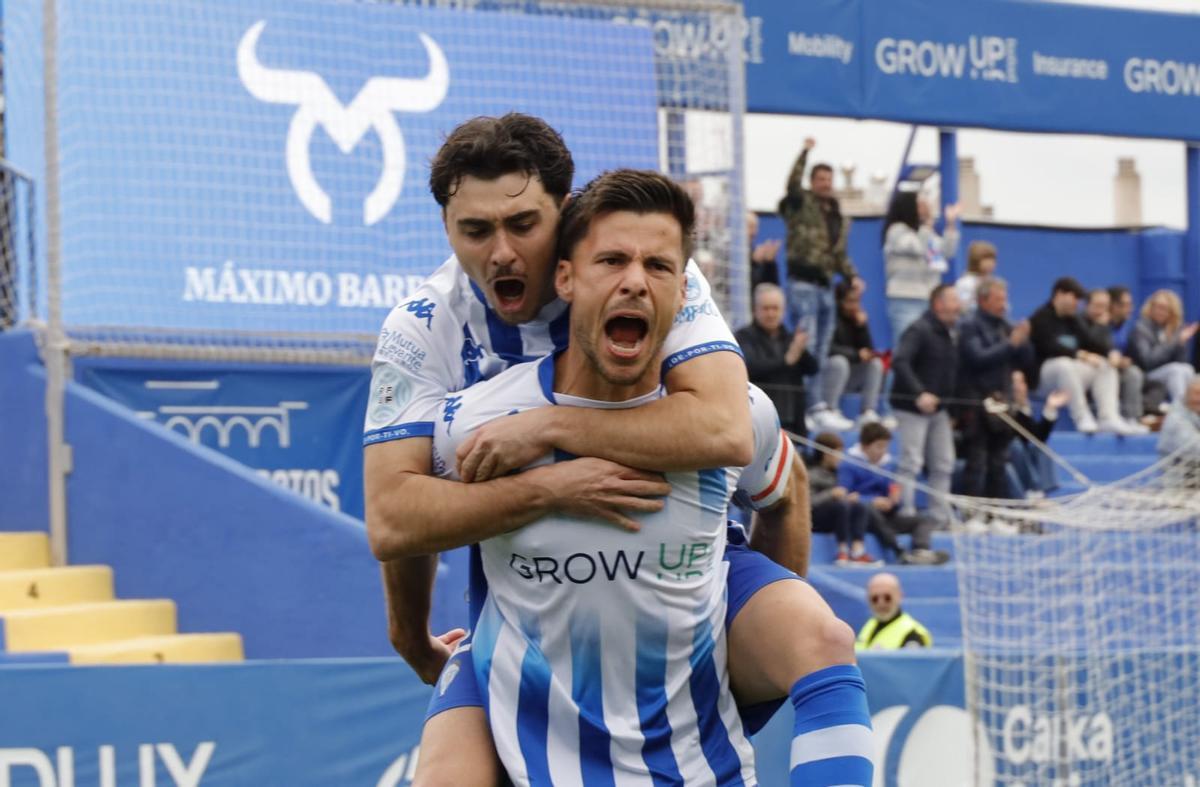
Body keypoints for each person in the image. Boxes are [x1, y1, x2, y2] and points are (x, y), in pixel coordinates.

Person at [360, 123, 866, 785]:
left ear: (564, 212)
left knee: (824, 638)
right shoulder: (424, 329)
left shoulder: (654, 283)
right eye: (475, 231)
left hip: (682, 572)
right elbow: (395, 517)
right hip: (526, 586)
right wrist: (546, 491)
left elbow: (729, 433)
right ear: (448, 227)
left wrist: (546, 427)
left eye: (523, 223)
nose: (501, 252)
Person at [777, 136, 864, 420]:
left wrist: (852, 277)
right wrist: (804, 152)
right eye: (821, 178)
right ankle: (809, 406)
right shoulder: (801, 204)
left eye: (829, 178)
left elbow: (839, 255)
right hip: (803, 283)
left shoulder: (837, 215)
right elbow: (791, 183)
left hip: (826, 287)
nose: (826, 183)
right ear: (812, 181)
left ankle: (820, 404)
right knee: (809, 344)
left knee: (823, 349)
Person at [957, 276, 1037, 499]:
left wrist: (1024, 341)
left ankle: (997, 514)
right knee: (977, 462)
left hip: (1003, 402)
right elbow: (977, 358)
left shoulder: (1005, 326)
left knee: (998, 463)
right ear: (983, 301)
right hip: (977, 402)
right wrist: (1010, 344)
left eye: (1005, 299)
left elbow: (1026, 361)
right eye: (998, 299)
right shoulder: (969, 325)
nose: (1004, 304)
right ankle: (972, 513)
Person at [889, 284, 960, 528]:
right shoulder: (918, 329)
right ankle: (906, 512)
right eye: (953, 301)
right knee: (911, 461)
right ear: (938, 304)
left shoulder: (950, 332)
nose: (958, 306)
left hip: (939, 410)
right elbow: (900, 361)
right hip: (911, 409)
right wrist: (919, 393)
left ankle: (939, 517)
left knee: (943, 462)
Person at [1029, 276, 1134, 434]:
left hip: (1070, 376)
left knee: (1104, 365)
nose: (1077, 303)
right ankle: (1081, 416)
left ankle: (1108, 418)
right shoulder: (1040, 317)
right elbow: (1049, 347)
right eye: (1075, 297)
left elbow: (1091, 342)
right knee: (1064, 364)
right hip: (1044, 378)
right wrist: (1081, 355)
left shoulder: (1073, 320)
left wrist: (1111, 352)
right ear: (1060, 294)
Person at [839, 422, 950, 565]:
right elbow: (843, 496)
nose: (883, 451)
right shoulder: (848, 464)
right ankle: (899, 551)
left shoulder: (888, 464)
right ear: (865, 446)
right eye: (879, 446)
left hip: (887, 516)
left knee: (924, 520)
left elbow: (892, 492)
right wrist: (871, 501)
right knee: (869, 510)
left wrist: (894, 500)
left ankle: (921, 551)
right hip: (862, 518)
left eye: (885, 447)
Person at [736, 282, 820, 436]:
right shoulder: (743, 336)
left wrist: (801, 349)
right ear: (755, 310)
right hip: (759, 421)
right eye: (766, 308)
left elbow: (813, 368)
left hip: (793, 420)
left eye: (775, 308)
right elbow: (749, 367)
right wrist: (785, 361)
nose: (771, 314)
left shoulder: (790, 338)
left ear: (783, 311)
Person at [881, 190, 961, 344]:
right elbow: (916, 247)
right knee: (906, 346)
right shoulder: (896, 230)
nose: (925, 207)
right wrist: (927, 225)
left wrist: (950, 225)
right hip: (905, 299)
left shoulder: (925, 232)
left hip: (928, 298)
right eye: (919, 204)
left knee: (927, 348)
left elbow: (947, 251)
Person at [815, 279, 886, 430]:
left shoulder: (857, 320)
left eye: (857, 301)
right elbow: (826, 349)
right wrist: (855, 354)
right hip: (828, 376)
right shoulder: (829, 319)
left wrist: (862, 327)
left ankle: (867, 412)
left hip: (850, 377)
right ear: (839, 301)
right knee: (839, 362)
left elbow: (868, 350)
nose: (854, 306)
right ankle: (830, 409)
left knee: (875, 364)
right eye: (850, 301)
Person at [807, 432, 881, 566]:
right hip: (816, 517)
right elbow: (809, 503)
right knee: (842, 506)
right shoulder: (811, 474)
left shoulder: (840, 473)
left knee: (859, 506)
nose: (841, 457)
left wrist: (849, 497)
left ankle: (858, 551)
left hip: (838, 515)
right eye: (838, 453)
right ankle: (842, 551)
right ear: (826, 454)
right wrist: (831, 494)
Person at [1081, 288, 1148, 431]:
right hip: (1090, 370)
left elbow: (1136, 357)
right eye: (1125, 304)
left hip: (1113, 369)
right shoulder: (1084, 322)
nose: (1130, 309)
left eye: (1104, 306)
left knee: (1135, 373)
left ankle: (1132, 419)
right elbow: (1091, 345)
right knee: (1120, 371)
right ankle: (1108, 417)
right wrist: (1101, 327)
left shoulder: (1123, 327)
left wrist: (1123, 360)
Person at [1129, 289, 1199, 405]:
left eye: (1165, 308)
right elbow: (1148, 361)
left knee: (1188, 369)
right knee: (1175, 370)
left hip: (1168, 373)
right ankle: (1181, 408)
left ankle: (1193, 408)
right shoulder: (1140, 328)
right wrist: (1174, 342)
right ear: (1150, 307)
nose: (1160, 311)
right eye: (1157, 307)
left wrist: (1181, 344)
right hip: (1145, 375)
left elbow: (1182, 362)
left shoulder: (1174, 329)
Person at [1007, 370, 1068, 500]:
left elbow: (1037, 437)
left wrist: (1050, 407)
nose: (1018, 387)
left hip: (1025, 455)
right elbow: (1016, 434)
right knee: (1015, 446)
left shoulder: (1024, 409)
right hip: (1008, 455)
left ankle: (1041, 493)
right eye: (1014, 382)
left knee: (1040, 447)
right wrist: (1019, 408)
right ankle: (1032, 489)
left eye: (1021, 382)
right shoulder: (1005, 409)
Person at [856, 573, 933, 650]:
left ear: (900, 596)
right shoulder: (870, 624)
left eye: (887, 597)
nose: (881, 603)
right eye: (874, 599)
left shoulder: (913, 635)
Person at [1158, 376, 1200, 459]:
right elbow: (1195, 448)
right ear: (1187, 395)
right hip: (1178, 469)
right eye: (1197, 393)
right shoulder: (1176, 419)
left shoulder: (1195, 413)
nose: (1199, 398)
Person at [954, 240, 997, 311]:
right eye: (986, 259)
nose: (991, 263)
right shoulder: (965, 282)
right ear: (975, 261)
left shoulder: (994, 282)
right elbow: (962, 308)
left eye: (993, 259)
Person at [747, 210, 782, 291]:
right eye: (750, 226)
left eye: (756, 227)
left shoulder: (758, 254)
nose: (754, 232)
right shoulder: (728, 253)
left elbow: (771, 287)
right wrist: (753, 262)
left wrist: (770, 263)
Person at [1108, 285, 1136, 354]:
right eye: (1126, 305)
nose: (1131, 309)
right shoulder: (1101, 328)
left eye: (1131, 304)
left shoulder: (1127, 328)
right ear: (1113, 305)